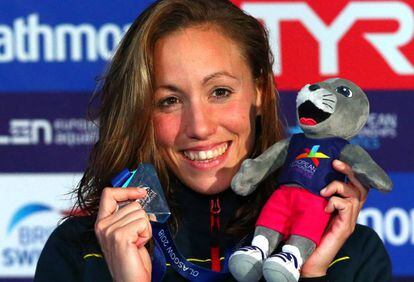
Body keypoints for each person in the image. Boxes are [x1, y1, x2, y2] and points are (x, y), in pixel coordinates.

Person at [34, 0, 391, 281]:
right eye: (169, 101)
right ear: (141, 111)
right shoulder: (81, 251)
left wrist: (312, 271)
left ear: (259, 92)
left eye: (219, 92)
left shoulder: (351, 253)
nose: (200, 127)